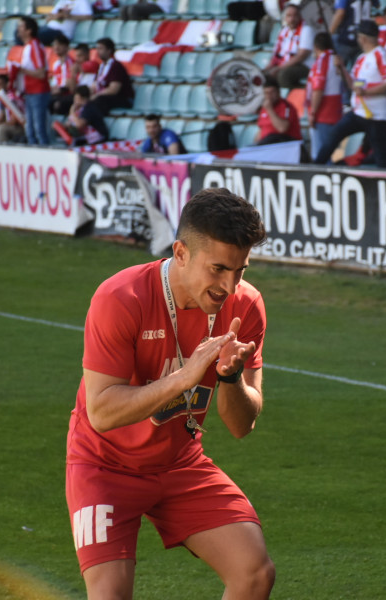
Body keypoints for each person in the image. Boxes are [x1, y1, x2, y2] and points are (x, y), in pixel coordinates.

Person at [65, 187, 276, 600]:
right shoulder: (121, 297)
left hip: (179, 463)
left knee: (254, 573)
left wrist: (230, 379)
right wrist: (183, 379)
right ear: (180, 253)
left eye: (240, 271)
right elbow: (102, 412)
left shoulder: (246, 306)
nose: (229, 287)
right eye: (217, 269)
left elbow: (241, 426)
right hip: (103, 466)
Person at [314, 19, 386, 168]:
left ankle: (385, 180)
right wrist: (342, 68)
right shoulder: (360, 58)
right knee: (334, 135)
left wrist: (366, 92)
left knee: (380, 155)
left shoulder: (381, 54)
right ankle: (315, 166)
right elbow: (353, 85)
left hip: (377, 115)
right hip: (359, 112)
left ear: (362, 38)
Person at [306, 31, 343, 161]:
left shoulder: (322, 61)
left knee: (323, 153)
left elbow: (318, 89)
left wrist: (313, 112)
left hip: (324, 113)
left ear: (315, 47)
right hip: (335, 109)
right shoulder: (336, 59)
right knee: (331, 151)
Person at [17, 16, 52, 145]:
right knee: (30, 131)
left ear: (29, 30)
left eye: (21, 27)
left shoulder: (35, 47)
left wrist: (22, 70)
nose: (18, 30)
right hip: (30, 92)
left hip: (38, 92)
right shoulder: (28, 47)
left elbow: (41, 73)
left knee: (39, 130)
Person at [264, 2, 315, 89]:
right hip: (285, 64)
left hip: (303, 66)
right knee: (264, 75)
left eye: (295, 15)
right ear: (285, 18)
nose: (292, 19)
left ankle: (292, 98)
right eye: (289, 16)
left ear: (299, 16)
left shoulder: (306, 30)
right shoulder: (283, 31)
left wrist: (279, 68)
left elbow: (301, 56)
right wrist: (268, 68)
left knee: (283, 75)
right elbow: (276, 54)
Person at [90, 37, 135, 115]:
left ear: (109, 50)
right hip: (106, 98)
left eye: (101, 49)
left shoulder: (115, 66)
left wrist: (96, 95)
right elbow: (94, 85)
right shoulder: (101, 66)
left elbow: (113, 90)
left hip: (122, 99)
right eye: (97, 48)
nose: (98, 51)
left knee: (99, 101)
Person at [254, 78, 303, 145]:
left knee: (271, 138)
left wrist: (269, 109)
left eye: (272, 92)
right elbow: (262, 130)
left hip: (286, 144)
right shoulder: (264, 107)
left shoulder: (286, 106)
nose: (269, 96)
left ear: (278, 92)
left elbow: (282, 128)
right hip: (269, 145)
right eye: (266, 93)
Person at [329, 0, 379, 66]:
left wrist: (329, 33)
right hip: (363, 38)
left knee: (338, 67)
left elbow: (340, 13)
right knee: (357, 69)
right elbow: (376, 7)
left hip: (346, 37)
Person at [0, 73, 27, 143]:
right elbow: (0, 118)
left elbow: (14, 121)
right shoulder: (2, 99)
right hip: (10, 125)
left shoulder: (12, 97)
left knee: (1, 129)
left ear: (7, 84)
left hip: (22, 127)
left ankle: (4, 152)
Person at [49, 33, 76, 115]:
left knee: (56, 105)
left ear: (66, 47)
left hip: (68, 94)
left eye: (59, 45)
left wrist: (59, 90)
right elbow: (55, 82)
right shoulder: (56, 64)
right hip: (57, 93)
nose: (56, 47)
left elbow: (71, 85)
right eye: (55, 45)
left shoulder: (72, 64)